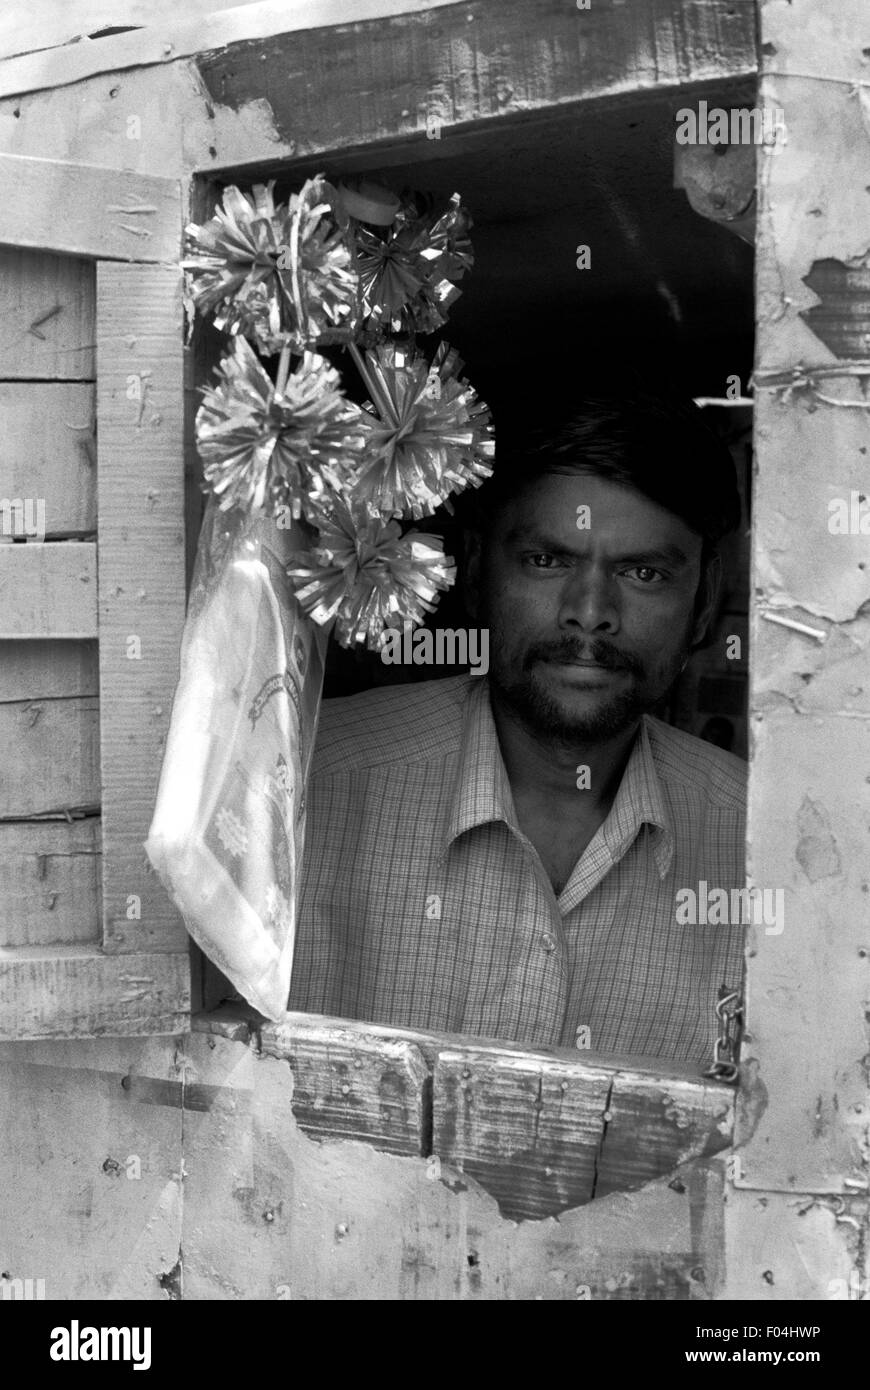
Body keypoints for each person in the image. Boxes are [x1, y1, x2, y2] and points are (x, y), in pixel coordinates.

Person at [288, 390, 746, 1068]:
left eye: (643, 573)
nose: (590, 614)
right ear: (475, 570)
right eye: (546, 561)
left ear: (704, 606)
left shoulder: (763, 845)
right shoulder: (301, 787)